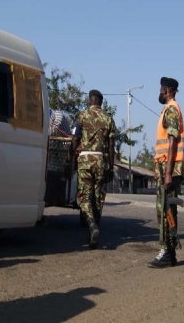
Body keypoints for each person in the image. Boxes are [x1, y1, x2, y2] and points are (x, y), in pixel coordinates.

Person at [66, 90, 116, 249]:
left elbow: (75, 140)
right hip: (100, 160)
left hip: (85, 160)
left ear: (90, 100)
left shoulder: (82, 116)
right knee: (98, 195)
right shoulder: (108, 118)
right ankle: (95, 229)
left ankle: (92, 225)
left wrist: (69, 159)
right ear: (101, 102)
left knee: (84, 196)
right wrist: (111, 167)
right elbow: (111, 145)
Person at [148, 77, 184, 269]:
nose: (160, 92)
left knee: (165, 210)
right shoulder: (169, 109)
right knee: (168, 209)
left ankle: (166, 251)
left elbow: (172, 142)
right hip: (164, 168)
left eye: (161, 89)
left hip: (168, 169)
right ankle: (170, 252)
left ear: (167, 91)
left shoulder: (171, 109)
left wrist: (168, 172)